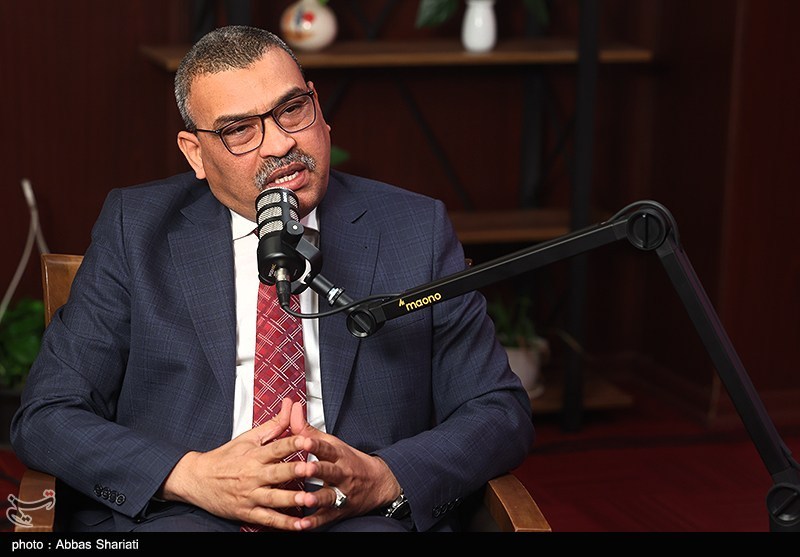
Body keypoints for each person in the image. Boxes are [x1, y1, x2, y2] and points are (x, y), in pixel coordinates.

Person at [10, 25, 534, 533]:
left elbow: (498, 411)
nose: (280, 144)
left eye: (292, 110)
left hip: (362, 517)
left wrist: (382, 478)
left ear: (319, 108)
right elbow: (48, 414)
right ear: (195, 153)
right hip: (185, 515)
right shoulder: (136, 229)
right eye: (240, 130)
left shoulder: (414, 230)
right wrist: (191, 476)